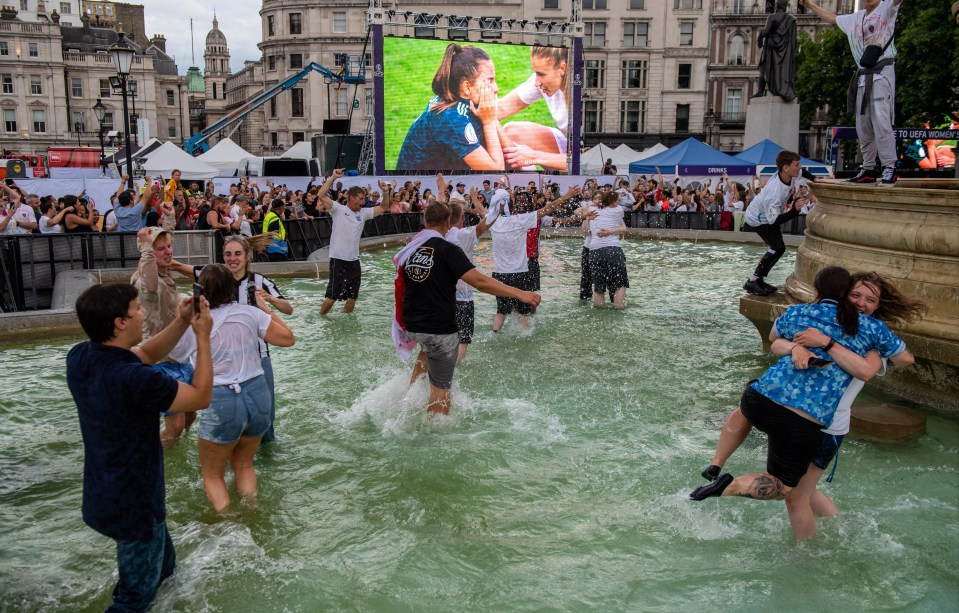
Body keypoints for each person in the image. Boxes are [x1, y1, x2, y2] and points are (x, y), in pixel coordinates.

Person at [700, 271, 927, 540]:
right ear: (842, 295)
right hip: (801, 417)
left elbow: (875, 368)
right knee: (802, 491)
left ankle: (804, 557)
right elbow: (777, 342)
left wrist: (826, 343)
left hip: (824, 429)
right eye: (855, 295)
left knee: (796, 496)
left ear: (878, 306)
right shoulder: (832, 323)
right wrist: (796, 348)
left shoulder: (874, 341)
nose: (861, 302)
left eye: (870, 299)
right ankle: (841, 527)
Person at [67, 282, 213, 612]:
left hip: (105, 492)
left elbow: (144, 354)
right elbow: (202, 397)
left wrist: (183, 320)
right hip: (135, 501)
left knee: (165, 573)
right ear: (120, 322)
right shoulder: (136, 381)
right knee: (132, 600)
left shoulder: (80, 357)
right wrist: (203, 338)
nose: (143, 313)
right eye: (137, 309)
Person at [392, 201, 541, 416]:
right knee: (441, 388)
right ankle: (436, 434)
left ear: (425, 221)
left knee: (427, 351)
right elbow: (479, 282)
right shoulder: (448, 250)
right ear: (448, 224)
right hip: (439, 328)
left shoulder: (411, 248)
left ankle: (409, 396)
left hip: (412, 325)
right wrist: (521, 294)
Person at [172, 236, 293, 444]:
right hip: (221, 361)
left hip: (257, 357)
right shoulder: (215, 276)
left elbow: (288, 310)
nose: (232, 259)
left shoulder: (259, 282)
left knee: (265, 421)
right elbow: (184, 268)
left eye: (237, 254)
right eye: (228, 254)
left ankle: (264, 450)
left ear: (247, 256)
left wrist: (269, 300)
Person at [195, 264, 295, 512]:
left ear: (202, 291)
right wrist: (266, 310)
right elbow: (288, 338)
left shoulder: (199, 322)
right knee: (244, 465)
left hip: (222, 400)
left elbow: (172, 357)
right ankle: (250, 512)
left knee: (213, 475)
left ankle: (227, 524)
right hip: (258, 395)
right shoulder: (251, 314)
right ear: (232, 288)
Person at [801, 0, 903, 186]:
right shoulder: (855, 18)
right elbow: (832, 18)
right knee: (863, 126)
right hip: (863, 76)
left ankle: (890, 166)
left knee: (881, 121)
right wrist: (809, 4)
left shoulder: (886, 8)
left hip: (881, 73)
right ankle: (869, 168)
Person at [130, 206, 196, 448]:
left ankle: (172, 448)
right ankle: (157, 461)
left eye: (169, 247)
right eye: (161, 249)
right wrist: (148, 247)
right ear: (148, 253)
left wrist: (168, 219)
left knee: (190, 416)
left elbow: (164, 246)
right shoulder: (145, 280)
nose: (168, 252)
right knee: (176, 425)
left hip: (179, 359)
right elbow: (148, 282)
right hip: (159, 362)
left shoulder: (164, 272)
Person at [396, 43, 507, 171]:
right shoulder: (452, 118)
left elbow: (509, 152)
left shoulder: (465, 102)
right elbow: (497, 171)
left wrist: (491, 118)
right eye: (490, 81)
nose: (496, 89)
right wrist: (488, 122)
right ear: (467, 87)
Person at [488, 185, 580, 331]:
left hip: (529, 262)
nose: (522, 203)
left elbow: (557, 219)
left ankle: (522, 316)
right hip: (519, 266)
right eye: (519, 201)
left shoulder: (535, 218)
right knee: (520, 301)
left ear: (531, 203)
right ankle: (522, 320)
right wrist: (567, 197)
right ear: (514, 204)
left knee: (527, 298)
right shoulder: (516, 219)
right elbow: (550, 207)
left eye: (525, 201)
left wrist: (578, 218)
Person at [315, 168, 391, 314]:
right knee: (332, 296)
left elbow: (384, 207)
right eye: (361, 199)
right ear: (351, 198)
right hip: (339, 259)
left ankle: (346, 324)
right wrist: (332, 178)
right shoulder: (338, 209)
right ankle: (321, 318)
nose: (364, 202)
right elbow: (321, 195)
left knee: (352, 297)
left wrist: (386, 192)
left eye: (364, 199)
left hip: (354, 260)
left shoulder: (363, 213)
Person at [741, 150, 811, 296]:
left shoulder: (788, 174)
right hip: (758, 219)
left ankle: (757, 279)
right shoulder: (775, 192)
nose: (800, 168)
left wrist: (817, 180)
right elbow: (774, 221)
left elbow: (804, 174)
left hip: (766, 216)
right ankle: (753, 281)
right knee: (778, 247)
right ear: (786, 168)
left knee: (778, 247)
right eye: (797, 165)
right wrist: (794, 211)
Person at [442, 182, 498, 362]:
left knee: (442, 339)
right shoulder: (462, 235)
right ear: (461, 219)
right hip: (462, 298)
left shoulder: (435, 235)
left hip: (441, 296)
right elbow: (485, 224)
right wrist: (478, 200)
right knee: (462, 340)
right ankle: (455, 371)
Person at [497, 45, 569, 171]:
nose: (537, 82)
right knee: (511, 132)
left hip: (590, 159)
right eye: (536, 73)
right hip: (569, 145)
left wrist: (535, 157)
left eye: (541, 74)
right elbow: (502, 108)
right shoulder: (543, 81)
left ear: (562, 68)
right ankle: (528, 184)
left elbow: (591, 161)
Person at [586, 191, 629, 309]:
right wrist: (610, 231)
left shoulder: (592, 211)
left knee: (598, 287)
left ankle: (599, 312)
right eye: (617, 200)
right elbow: (624, 228)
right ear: (612, 201)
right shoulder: (618, 210)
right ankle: (618, 309)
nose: (618, 202)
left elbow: (579, 215)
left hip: (594, 251)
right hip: (613, 249)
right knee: (620, 284)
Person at [754, 0, 798, 102]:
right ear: (785, 7)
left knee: (764, 68)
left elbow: (766, 32)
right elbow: (792, 39)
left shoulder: (772, 17)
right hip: (784, 51)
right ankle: (783, 88)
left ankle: (760, 91)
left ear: (776, 6)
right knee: (781, 70)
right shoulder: (791, 19)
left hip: (771, 48)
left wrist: (760, 36)